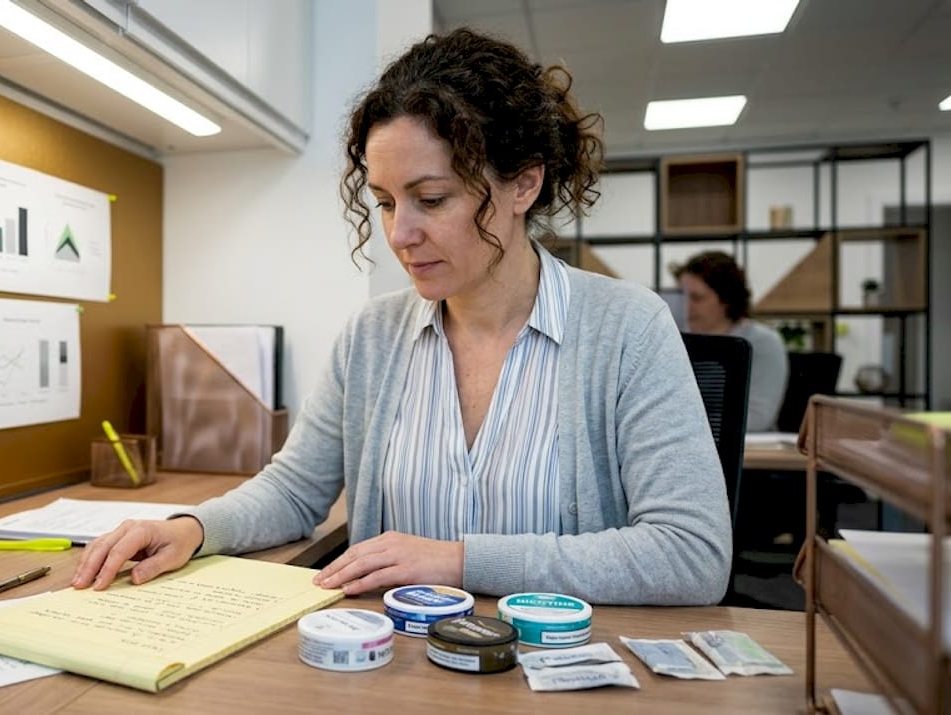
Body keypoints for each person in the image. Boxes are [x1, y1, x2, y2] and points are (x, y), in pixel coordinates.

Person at [73, 28, 731, 605]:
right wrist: (192, 527)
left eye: (432, 198)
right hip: (391, 664)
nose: (399, 234)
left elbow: (690, 554)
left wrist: (459, 561)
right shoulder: (373, 335)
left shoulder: (627, 327)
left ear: (523, 184)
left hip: (554, 673)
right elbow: (295, 490)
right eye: (386, 202)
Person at [674, 251, 789, 432]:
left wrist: (679, 426)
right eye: (683, 296)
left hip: (749, 454)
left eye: (697, 298)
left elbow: (757, 418)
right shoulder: (674, 339)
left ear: (726, 300)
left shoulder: (763, 343)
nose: (686, 306)